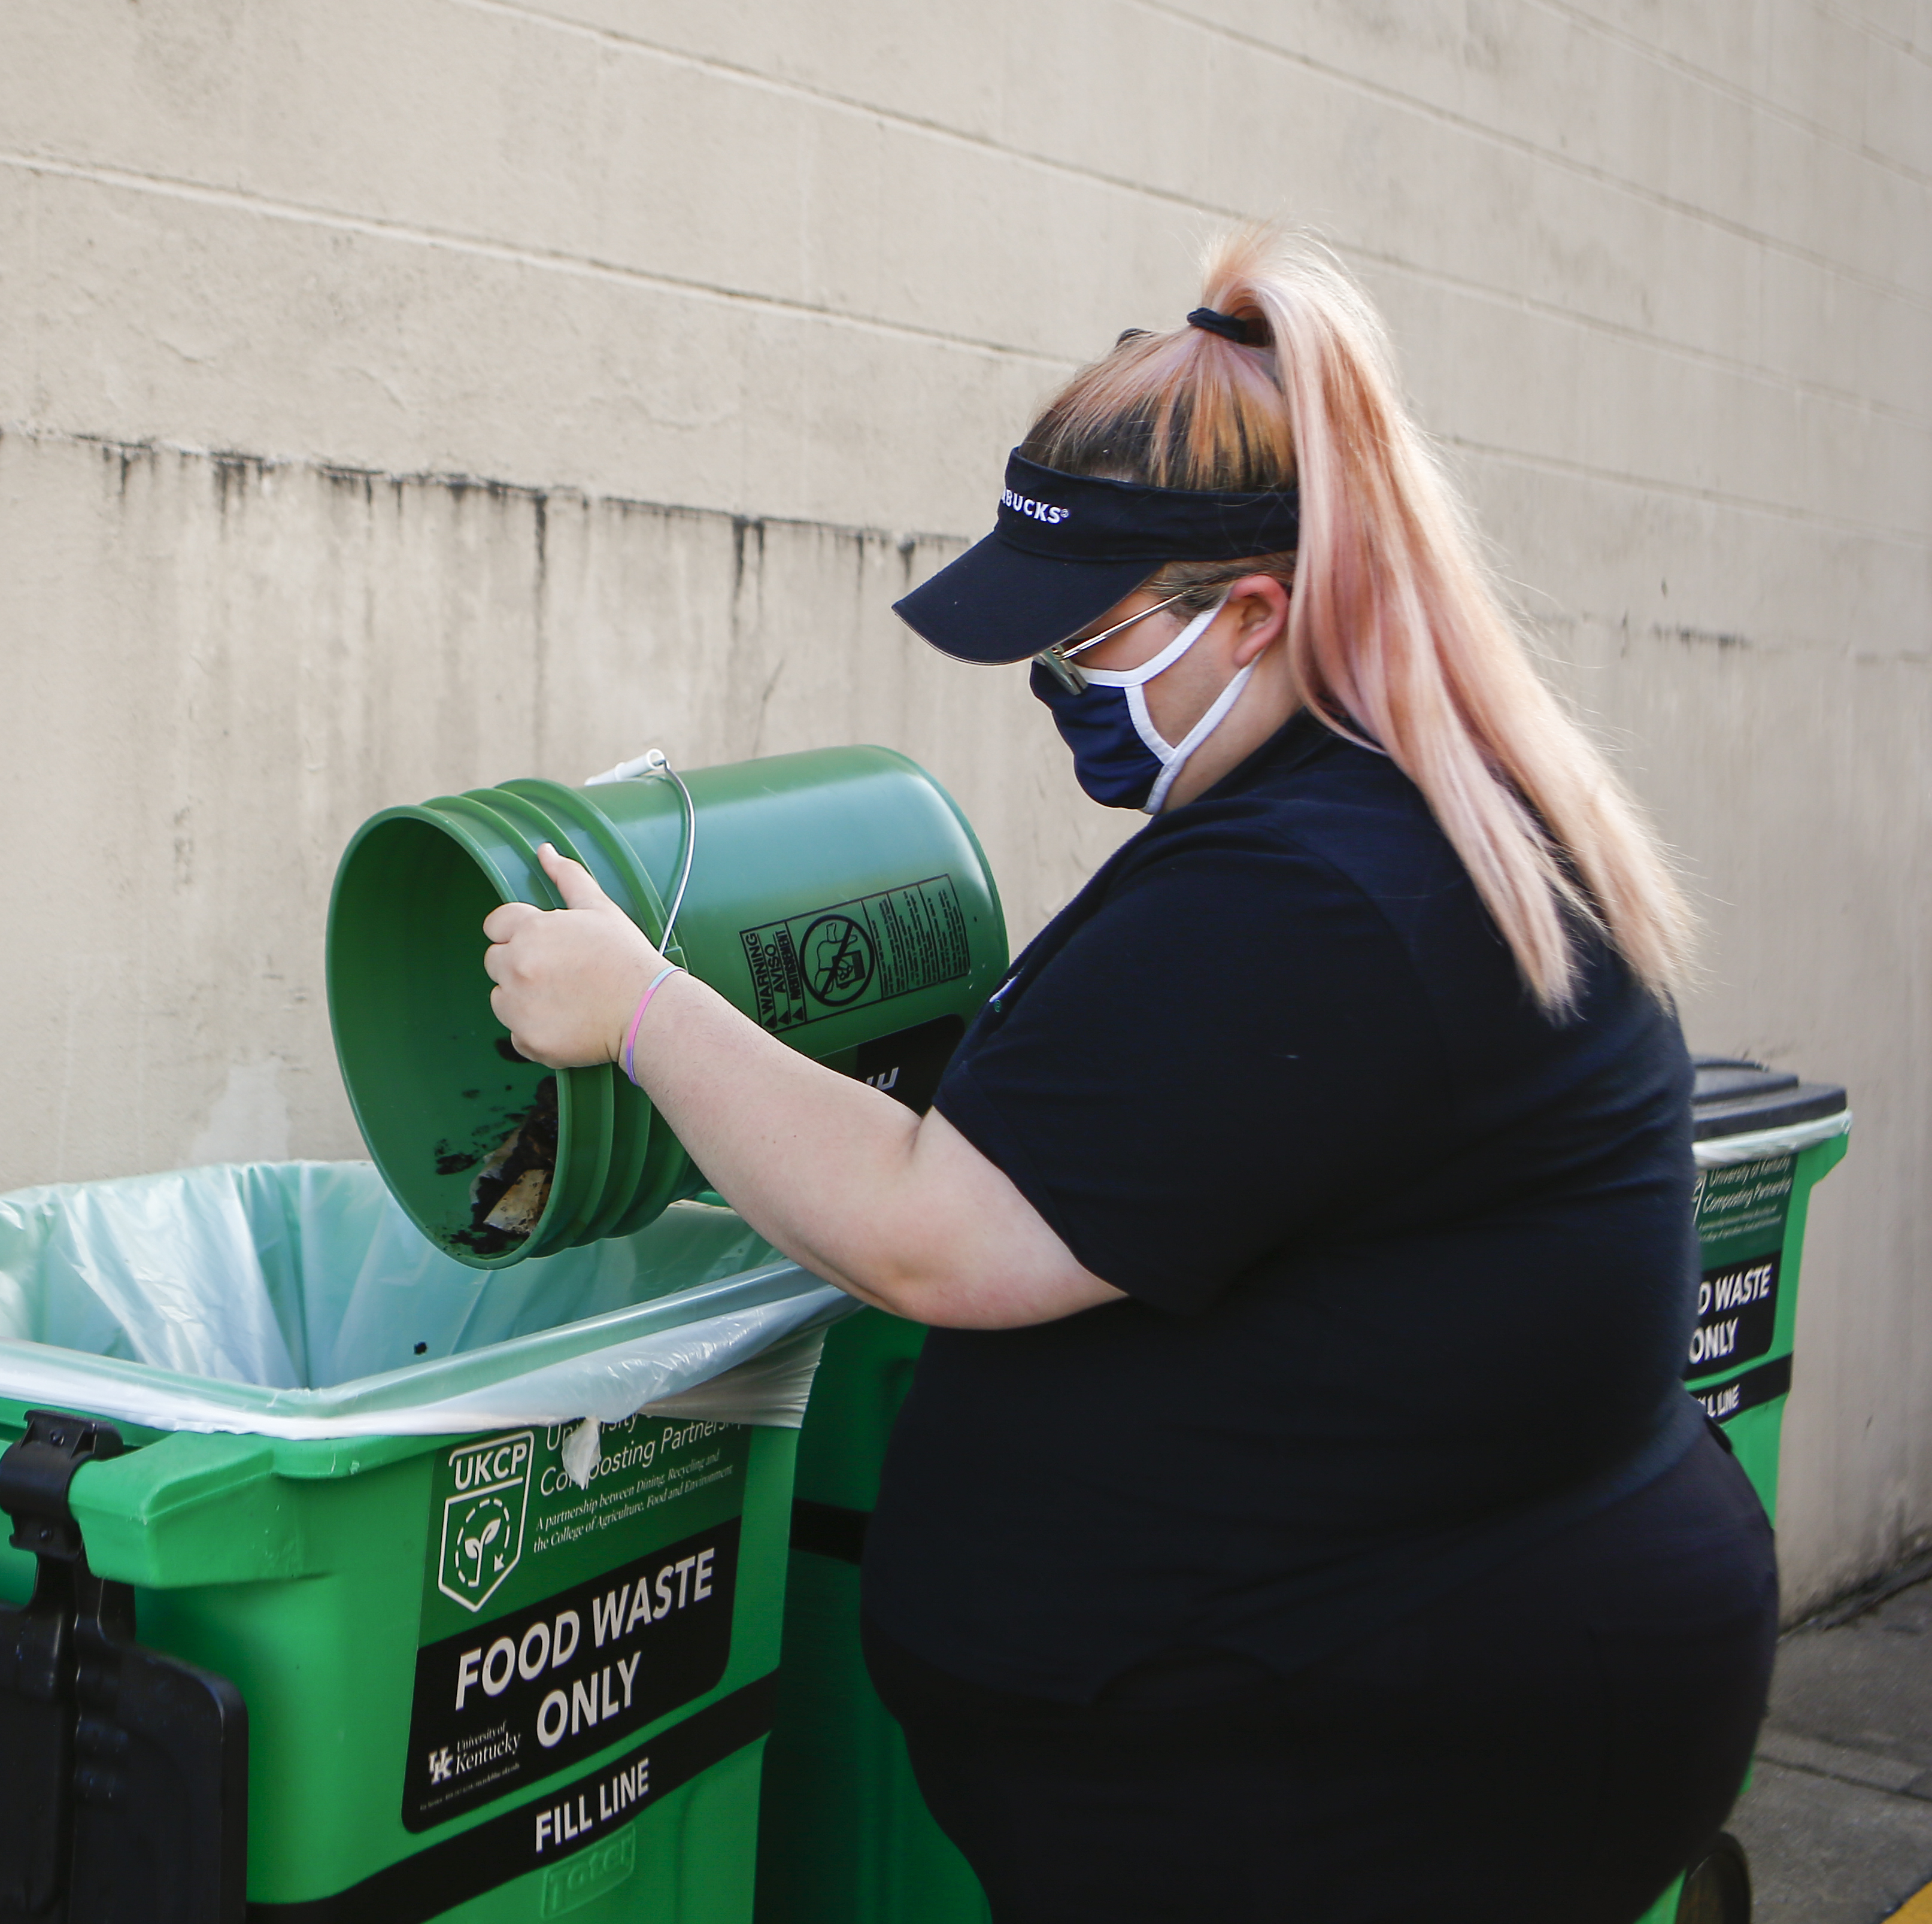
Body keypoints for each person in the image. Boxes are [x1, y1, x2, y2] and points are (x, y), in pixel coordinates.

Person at [480, 230, 1774, 1923]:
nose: (1057, 690)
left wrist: (639, 1013)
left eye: (1084, 648)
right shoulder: (1381, 809)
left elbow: (935, 1234)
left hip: (1368, 1781)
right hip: (1406, 1709)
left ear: (1251, 612)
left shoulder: (1328, 889)